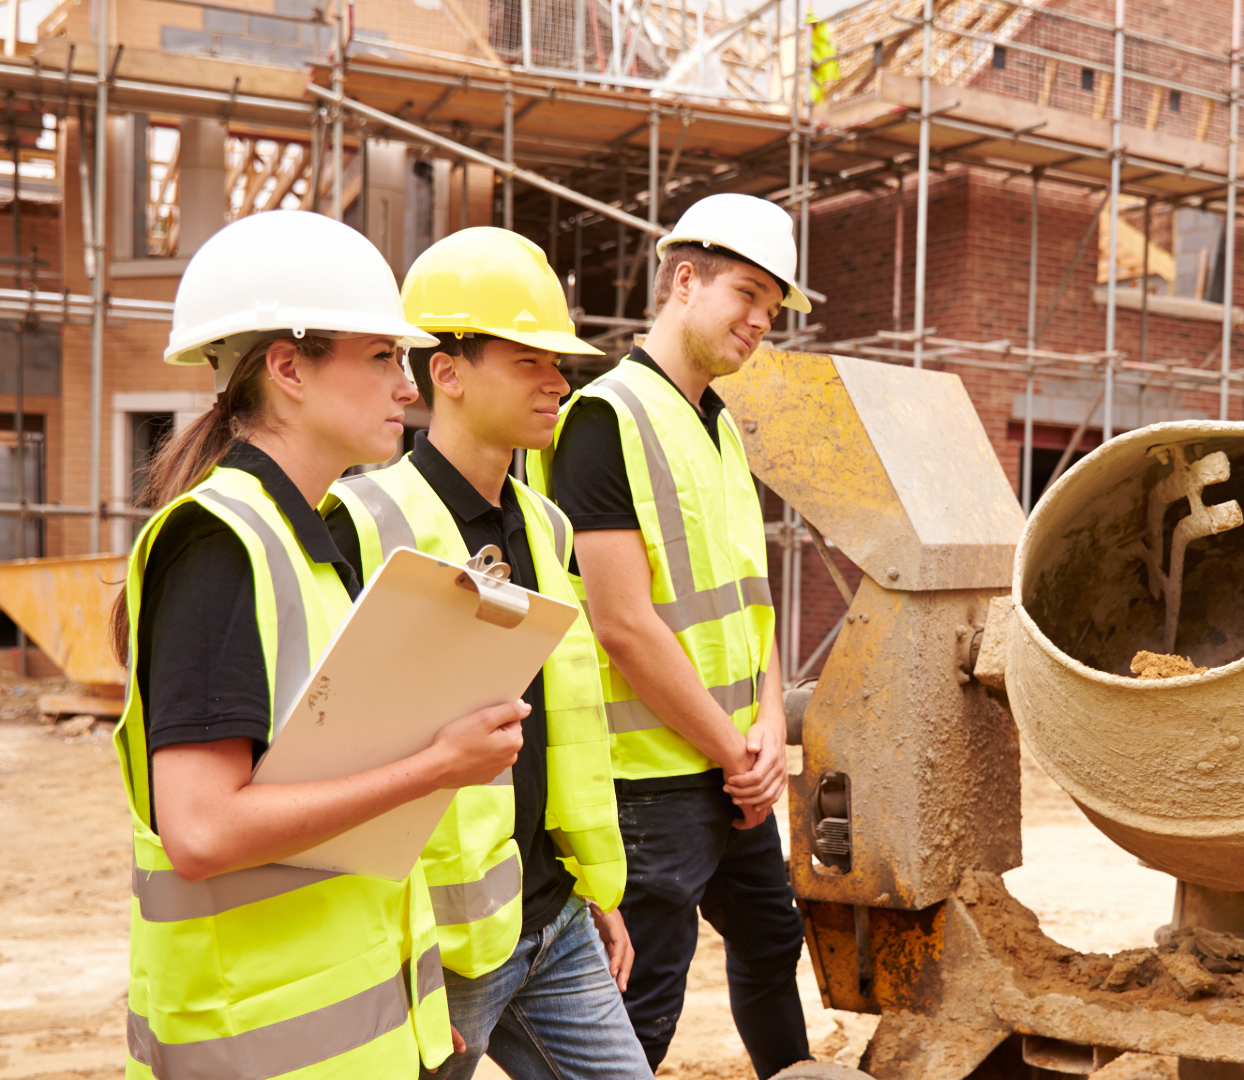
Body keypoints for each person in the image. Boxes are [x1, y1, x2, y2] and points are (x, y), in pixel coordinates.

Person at [114, 210, 528, 1078]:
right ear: (289, 368)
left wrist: (411, 1010)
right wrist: (436, 766)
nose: (408, 388)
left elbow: (332, 817)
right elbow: (201, 829)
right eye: (382, 357)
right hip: (253, 1047)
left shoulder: (304, 540)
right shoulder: (220, 545)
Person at [324, 226, 651, 1080]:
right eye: (529, 361)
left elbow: (559, 728)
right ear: (449, 371)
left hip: (554, 919)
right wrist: (396, 954)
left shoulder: (546, 525)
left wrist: (588, 887)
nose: (558, 382)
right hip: (440, 943)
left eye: (560, 363)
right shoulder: (361, 523)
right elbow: (336, 747)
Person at [526, 193, 813, 1079]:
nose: (763, 320)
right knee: (641, 1009)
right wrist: (738, 751)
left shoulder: (720, 424)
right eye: (748, 294)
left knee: (772, 942)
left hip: (731, 768)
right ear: (684, 281)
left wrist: (767, 732)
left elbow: (749, 604)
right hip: (649, 783)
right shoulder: (601, 419)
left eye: (774, 306)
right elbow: (622, 623)